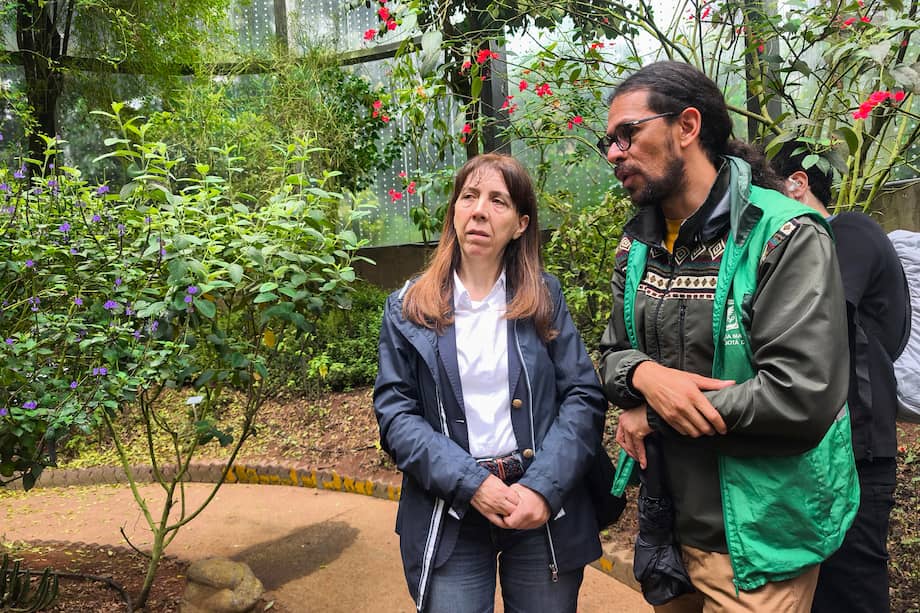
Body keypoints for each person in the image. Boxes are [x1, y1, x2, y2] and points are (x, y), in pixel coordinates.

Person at [597, 61, 860, 612]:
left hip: (759, 539)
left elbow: (800, 394)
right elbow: (612, 353)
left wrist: (658, 411)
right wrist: (645, 376)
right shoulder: (638, 245)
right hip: (668, 528)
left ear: (687, 126)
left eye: (629, 133)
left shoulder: (785, 235)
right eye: (609, 141)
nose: (615, 153)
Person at [374, 153, 607, 613]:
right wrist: (471, 484)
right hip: (451, 508)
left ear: (521, 224)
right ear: (455, 212)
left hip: (538, 506)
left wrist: (542, 489)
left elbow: (582, 395)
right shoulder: (407, 307)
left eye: (497, 201)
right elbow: (396, 415)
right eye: (469, 196)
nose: (479, 210)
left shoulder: (544, 298)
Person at [772, 141, 909, 613]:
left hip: (858, 449)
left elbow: (818, 316)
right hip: (812, 450)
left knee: (852, 584)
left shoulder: (849, 232)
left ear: (798, 183)